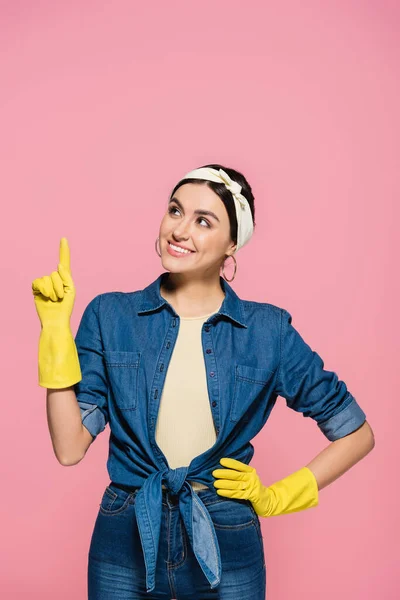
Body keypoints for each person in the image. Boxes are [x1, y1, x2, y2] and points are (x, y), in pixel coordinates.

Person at [32, 163, 370, 599]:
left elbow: (356, 433)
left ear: (232, 245)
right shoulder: (109, 315)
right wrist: (55, 334)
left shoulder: (267, 332)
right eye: (176, 211)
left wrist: (278, 496)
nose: (180, 229)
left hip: (225, 527)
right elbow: (69, 447)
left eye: (203, 221)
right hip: (126, 528)